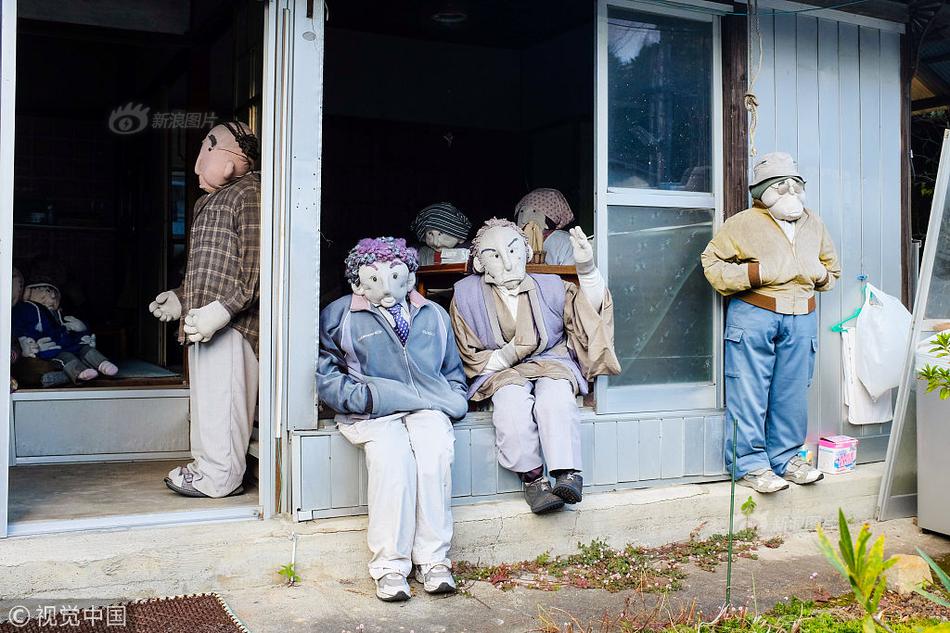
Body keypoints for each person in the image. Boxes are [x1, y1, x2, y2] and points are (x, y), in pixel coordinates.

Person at [317, 237, 469, 602]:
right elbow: (326, 371)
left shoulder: (433, 313)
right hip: (371, 412)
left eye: (396, 277)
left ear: (409, 275)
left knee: (434, 457)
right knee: (393, 464)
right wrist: (362, 397)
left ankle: (434, 561)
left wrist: (452, 397)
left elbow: (452, 369)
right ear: (357, 281)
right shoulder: (340, 315)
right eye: (373, 279)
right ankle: (390, 566)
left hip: (427, 406)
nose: (387, 288)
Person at [450, 219, 619, 514]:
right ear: (479, 263)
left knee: (556, 396)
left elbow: (587, 313)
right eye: (495, 256)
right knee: (510, 403)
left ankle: (567, 473)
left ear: (527, 252)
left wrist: (587, 269)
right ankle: (533, 479)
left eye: (514, 252)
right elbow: (468, 352)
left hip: (551, 360)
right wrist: (506, 356)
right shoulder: (466, 295)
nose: (507, 263)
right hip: (501, 370)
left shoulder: (551, 284)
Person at [701, 151, 841, 494]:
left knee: (792, 392)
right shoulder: (743, 222)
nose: (790, 192)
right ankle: (750, 465)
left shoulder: (814, 223)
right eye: (780, 186)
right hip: (754, 314)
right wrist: (755, 272)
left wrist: (820, 273)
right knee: (748, 390)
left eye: (796, 185)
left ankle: (787, 459)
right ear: (761, 192)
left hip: (802, 316)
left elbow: (833, 270)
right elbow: (711, 262)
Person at [150, 121, 261, 499]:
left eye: (205, 153)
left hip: (233, 326)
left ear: (233, 158)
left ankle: (220, 476)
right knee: (207, 401)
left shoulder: (250, 193)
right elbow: (203, 265)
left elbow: (257, 268)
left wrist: (224, 310)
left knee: (224, 400)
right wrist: (182, 296)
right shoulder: (206, 200)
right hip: (202, 321)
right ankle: (205, 466)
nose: (196, 166)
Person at [514, 188, 576, 265]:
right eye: (522, 212)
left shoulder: (566, 242)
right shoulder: (515, 241)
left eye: (534, 212)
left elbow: (570, 273)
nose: (523, 220)